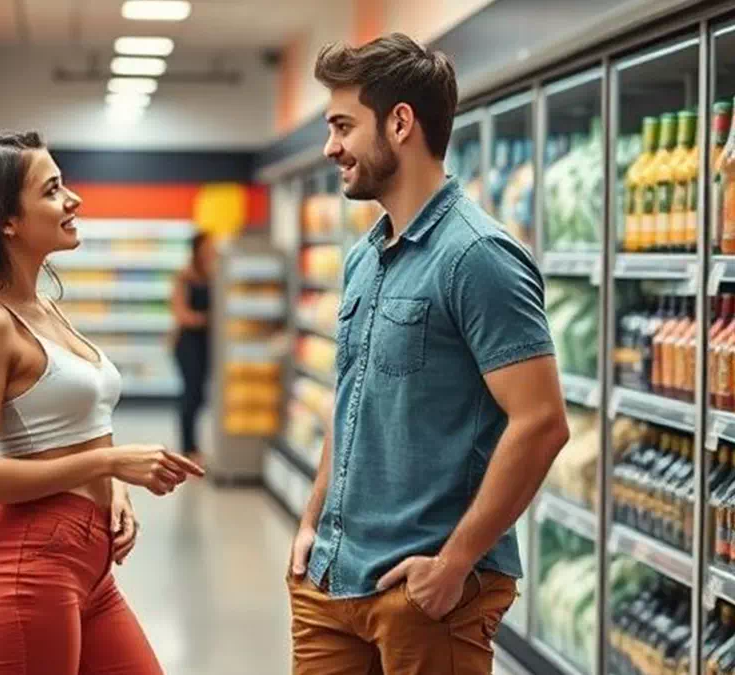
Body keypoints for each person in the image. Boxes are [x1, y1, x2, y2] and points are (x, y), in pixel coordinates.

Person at [286, 34, 570, 675]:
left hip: (422, 593)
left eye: (341, 126)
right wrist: (310, 526)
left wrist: (455, 563)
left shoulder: (479, 258)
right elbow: (350, 400)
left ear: (401, 122)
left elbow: (542, 422)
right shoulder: (365, 255)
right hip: (330, 578)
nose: (330, 147)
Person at [0, 131, 205, 675]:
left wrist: (112, 491)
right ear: (7, 221)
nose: (74, 200)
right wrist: (111, 463)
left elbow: (73, 424)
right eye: (52, 190)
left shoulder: (43, 306)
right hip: (26, 573)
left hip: (85, 567)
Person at [170, 232, 216, 464]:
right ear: (197, 249)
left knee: (200, 396)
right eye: (208, 246)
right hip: (188, 344)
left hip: (207, 344)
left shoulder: (215, 275)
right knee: (191, 395)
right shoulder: (185, 276)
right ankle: (187, 449)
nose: (213, 250)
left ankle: (194, 447)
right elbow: (181, 314)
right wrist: (210, 319)